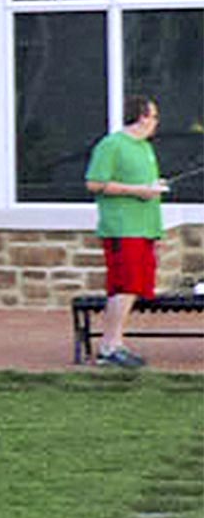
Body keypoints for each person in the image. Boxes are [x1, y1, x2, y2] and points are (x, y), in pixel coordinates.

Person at [86, 93, 168, 368]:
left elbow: (141, 183)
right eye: (154, 116)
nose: (156, 122)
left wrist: (153, 186)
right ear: (142, 116)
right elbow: (95, 183)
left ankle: (115, 343)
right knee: (124, 286)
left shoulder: (144, 147)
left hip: (145, 228)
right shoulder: (111, 145)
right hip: (122, 228)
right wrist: (139, 191)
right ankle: (109, 347)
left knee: (135, 288)